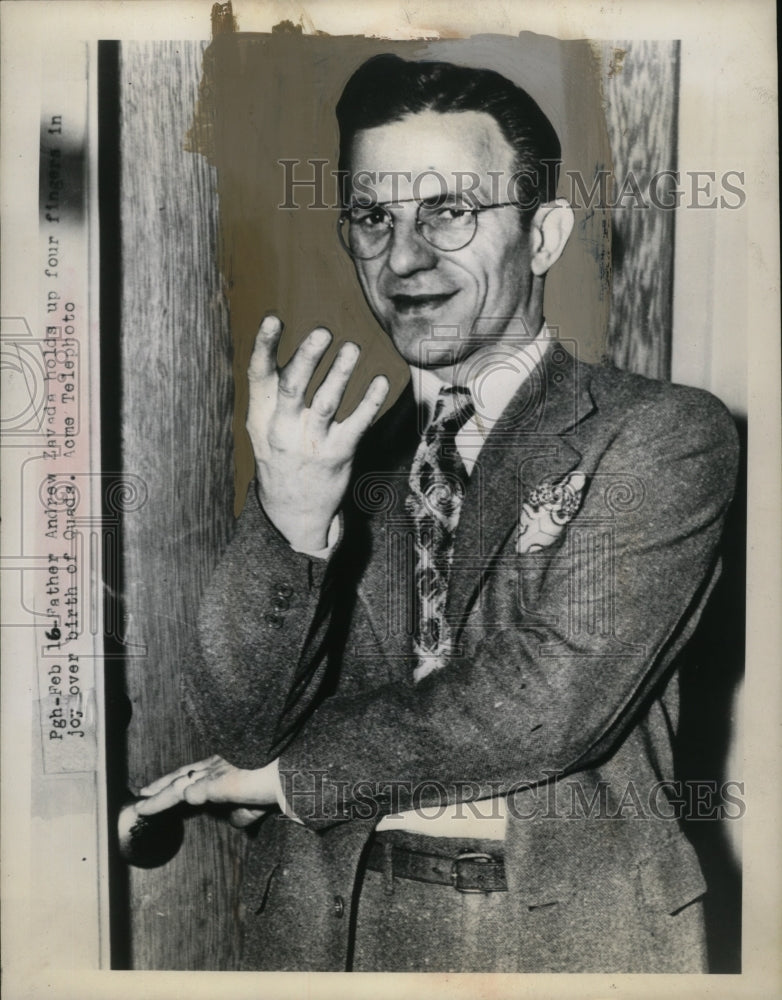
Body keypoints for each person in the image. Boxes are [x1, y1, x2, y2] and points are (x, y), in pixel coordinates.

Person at [136, 54, 739, 972]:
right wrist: (291, 518)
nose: (405, 257)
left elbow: (550, 699)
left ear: (542, 234)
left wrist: (290, 777)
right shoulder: (337, 460)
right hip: (324, 934)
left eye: (449, 211)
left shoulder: (660, 434)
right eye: (374, 217)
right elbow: (238, 729)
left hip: (565, 940)